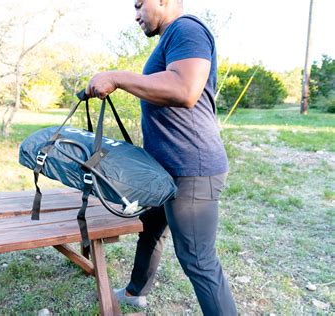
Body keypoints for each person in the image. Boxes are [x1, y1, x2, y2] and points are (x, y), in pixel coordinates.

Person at [85, 0, 237, 314]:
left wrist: (118, 77)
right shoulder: (171, 37)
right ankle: (135, 292)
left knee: (198, 259)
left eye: (140, 4)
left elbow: (184, 89)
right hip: (166, 169)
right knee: (151, 226)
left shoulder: (187, 29)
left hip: (192, 170)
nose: (136, 14)